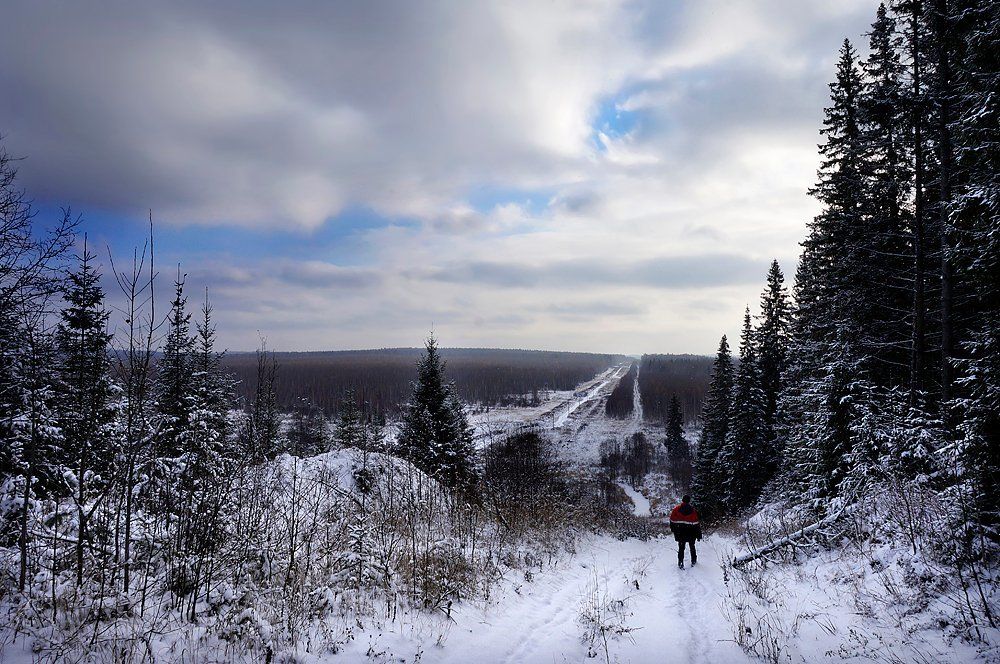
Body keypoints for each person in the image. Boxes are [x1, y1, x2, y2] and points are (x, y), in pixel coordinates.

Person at [669, 495, 701, 569]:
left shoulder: (676, 510)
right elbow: (696, 524)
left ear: (682, 500)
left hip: (680, 533)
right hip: (691, 532)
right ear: (689, 501)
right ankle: (693, 560)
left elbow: (672, 521)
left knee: (681, 548)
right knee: (692, 546)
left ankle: (680, 562)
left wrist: (674, 530)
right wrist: (699, 535)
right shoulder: (693, 511)